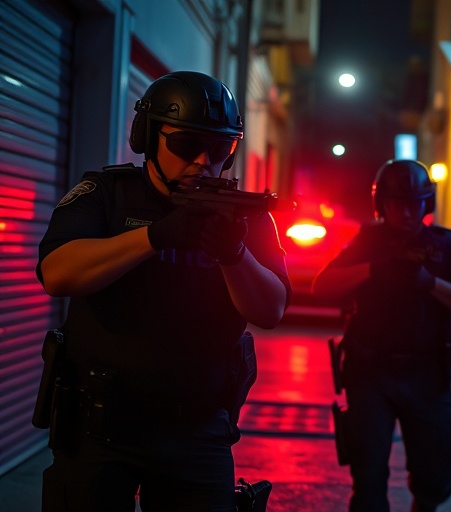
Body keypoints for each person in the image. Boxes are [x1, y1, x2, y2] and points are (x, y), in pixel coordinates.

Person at [36, 70, 291, 511]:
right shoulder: (104, 194)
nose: (203, 162)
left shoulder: (245, 219)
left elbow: (270, 310)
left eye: (220, 149)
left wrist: (235, 254)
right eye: (186, 145)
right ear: (148, 137)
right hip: (98, 426)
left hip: (196, 427)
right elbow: (57, 274)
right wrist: (154, 237)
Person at [311, 159, 451, 512]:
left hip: (427, 375)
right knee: (369, 477)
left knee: (434, 478)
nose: (407, 212)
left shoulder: (445, 244)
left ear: (427, 203)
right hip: (370, 373)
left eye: (415, 203)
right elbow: (322, 287)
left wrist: (431, 282)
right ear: (382, 205)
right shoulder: (367, 242)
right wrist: (373, 269)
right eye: (398, 204)